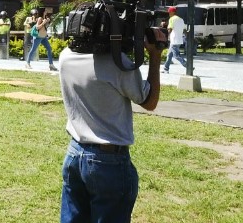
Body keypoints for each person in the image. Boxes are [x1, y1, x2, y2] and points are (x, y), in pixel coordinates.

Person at [58, 27, 167, 223]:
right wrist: (155, 54)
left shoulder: (66, 57)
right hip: (109, 161)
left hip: (75, 153)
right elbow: (149, 102)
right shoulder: (118, 64)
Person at [162, 6, 186, 73]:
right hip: (179, 40)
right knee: (169, 55)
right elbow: (184, 30)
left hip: (174, 40)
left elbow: (170, 29)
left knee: (176, 56)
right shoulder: (181, 19)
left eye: (169, 12)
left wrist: (166, 36)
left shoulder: (172, 19)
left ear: (173, 12)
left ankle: (186, 64)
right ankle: (166, 69)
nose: (169, 13)